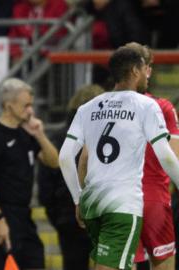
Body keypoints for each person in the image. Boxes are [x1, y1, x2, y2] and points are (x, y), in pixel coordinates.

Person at [59, 47, 179, 270]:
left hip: (93, 204)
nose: (148, 75)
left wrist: (78, 199)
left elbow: (66, 157)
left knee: (114, 263)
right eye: (145, 69)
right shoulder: (147, 105)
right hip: (126, 203)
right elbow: (167, 157)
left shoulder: (87, 107)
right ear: (135, 71)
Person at [0, 78, 59, 270]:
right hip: (3, 216)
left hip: (25, 216)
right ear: (9, 106)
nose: (30, 110)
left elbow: (54, 162)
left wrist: (40, 134)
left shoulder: (26, 134)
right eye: (26, 105)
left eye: (31, 105)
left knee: (36, 260)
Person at [122, 42, 179, 270]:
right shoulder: (162, 107)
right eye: (149, 66)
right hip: (154, 198)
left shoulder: (98, 108)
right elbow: (173, 158)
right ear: (139, 70)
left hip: (117, 200)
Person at [37, 84, 103, 270]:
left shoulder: (57, 138)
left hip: (67, 217)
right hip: (103, 214)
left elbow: (45, 187)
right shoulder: (108, 137)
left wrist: (57, 217)